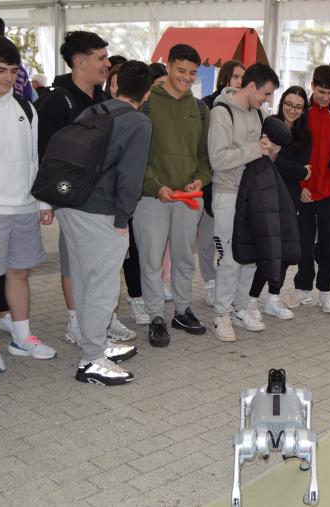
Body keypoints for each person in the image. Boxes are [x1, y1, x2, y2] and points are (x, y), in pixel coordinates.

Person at [37, 31, 137, 345]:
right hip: (72, 197)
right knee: (75, 262)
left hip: (103, 199)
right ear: (80, 61)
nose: (107, 64)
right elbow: (44, 153)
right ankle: (76, 323)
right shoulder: (57, 100)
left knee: (103, 264)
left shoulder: (103, 100)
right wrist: (46, 202)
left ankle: (101, 318)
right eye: (101, 58)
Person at [56, 61, 153, 385]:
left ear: (114, 85)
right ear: (147, 94)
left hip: (70, 203)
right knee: (102, 286)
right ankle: (92, 360)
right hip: (99, 210)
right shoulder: (138, 122)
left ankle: (95, 343)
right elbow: (131, 177)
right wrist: (123, 218)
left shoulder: (95, 110)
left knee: (85, 280)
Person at [0, 35, 56, 373]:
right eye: (0, 70)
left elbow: (34, 159)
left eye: (13, 71)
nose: (7, 78)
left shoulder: (25, 107)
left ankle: (22, 337)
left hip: (23, 206)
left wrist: (41, 201)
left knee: (19, 274)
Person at [134, 44, 211, 347]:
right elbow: (135, 155)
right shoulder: (146, 103)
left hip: (187, 199)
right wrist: (156, 186)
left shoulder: (200, 109)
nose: (186, 78)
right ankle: (156, 316)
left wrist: (201, 179)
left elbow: (204, 156)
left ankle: (182, 311)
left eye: (192, 73)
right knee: (151, 260)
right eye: (181, 70)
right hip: (151, 198)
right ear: (167, 66)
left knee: (184, 258)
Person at [207, 63, 278, 342]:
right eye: (265, 93)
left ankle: (241, 307)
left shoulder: (260, 113)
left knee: (251, 256)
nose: (267, 99)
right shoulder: (221, 111)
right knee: (231, 257)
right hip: (228, 192)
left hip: (255, 194)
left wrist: (270, 149)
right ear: (250, 86)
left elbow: (266, 151)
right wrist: (255, 149)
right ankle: (221, 314)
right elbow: (218, 159)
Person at [250, 85, 312, 320]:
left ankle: (273, 298)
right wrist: (297, 170)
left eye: (298, 107)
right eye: (288, 104)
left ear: (304, 109)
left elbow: (304, 169)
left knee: (286, 249)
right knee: (265, 249)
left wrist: (285, 163)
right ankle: (251, 299)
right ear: (281, 102)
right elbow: (287, 167)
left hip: (290, 198)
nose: (292, 110)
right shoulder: (269, 125)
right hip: (266, 195)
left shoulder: (305, 135)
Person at [292, 64, 330, 313]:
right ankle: (302, 288)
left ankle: (326, 291)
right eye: (321, 91)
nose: (325, 97)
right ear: (312, 86)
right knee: (303, 243)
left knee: (328, 245)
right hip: (304, 192)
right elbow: (290, 155)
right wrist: (298, 187)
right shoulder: (299, 114)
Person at [199, 59, 245, 306]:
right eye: (236, 77)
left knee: (228, 238)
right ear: (225, 78)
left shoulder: (246, 107)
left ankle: (226, 283)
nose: (239, 82)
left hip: (234, 182)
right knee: (208, 238)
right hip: (209, 180)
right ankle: (209, 281)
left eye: (243, 78)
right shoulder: (209, 105)